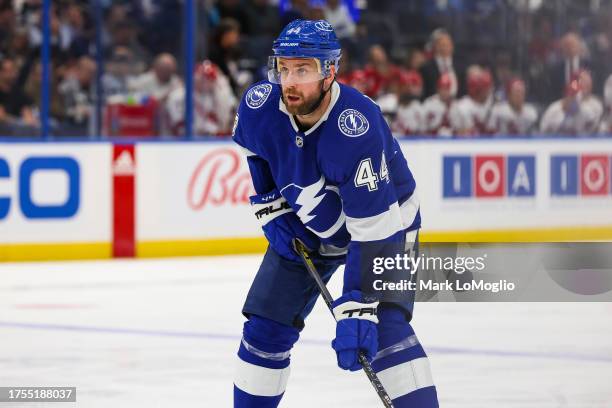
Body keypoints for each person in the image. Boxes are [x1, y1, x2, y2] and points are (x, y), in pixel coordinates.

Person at [232, 19, 438, 407]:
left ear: (330, 71)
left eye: (303, 69)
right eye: (284, 67)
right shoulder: (260, 105)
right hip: (309, 222)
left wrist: (359, 306)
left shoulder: (355, 128)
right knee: (264, 329)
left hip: (387, 222)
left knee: (385, 332)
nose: (290, 81)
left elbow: (375, 227)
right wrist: (271, 205)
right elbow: (255, 150)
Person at [165, 60, 237, 136]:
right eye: (203, 77)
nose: (206, 81)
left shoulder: (218, 95)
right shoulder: (178, 96)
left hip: (212, 140)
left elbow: (230, 120)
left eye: (210, 79)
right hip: (181, 142)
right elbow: (178, 127)